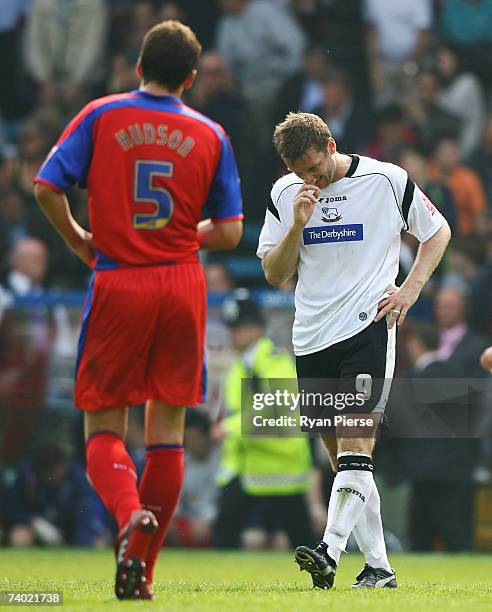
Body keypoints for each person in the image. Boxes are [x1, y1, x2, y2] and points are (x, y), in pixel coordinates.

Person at [33, 20, 243, 600]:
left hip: (120, 279)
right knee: (167, 430)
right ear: (192, 78)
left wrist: (79, 239)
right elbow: (228, 231)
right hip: (181, 284)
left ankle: (128, 513)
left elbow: (46, 186)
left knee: (103, 425)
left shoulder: (102, 115)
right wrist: (180, 238)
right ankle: (142, 573)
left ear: (137, 66)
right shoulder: (210, 133)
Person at [257, 112, 450, 589]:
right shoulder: (286, 195)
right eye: (298, 171)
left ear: (329, 143)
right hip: (311, 337)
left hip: (368, 327)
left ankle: (329, 549)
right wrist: (298, 225)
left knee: (357, 445)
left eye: (313, 167)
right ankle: (379, 568)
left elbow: (437, 231)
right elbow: (275, 274)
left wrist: (410, 288)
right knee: (345, 462)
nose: (309, 178)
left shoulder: (386, 180)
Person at [213, 290, 316, 550]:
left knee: (301, 539)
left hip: (281, 467)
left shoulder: (275, 361)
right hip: (246, 468)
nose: (232, 334)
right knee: (224, 537)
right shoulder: (239, 365)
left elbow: (277, 407)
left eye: (238, 327)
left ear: (255, 329)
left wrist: (229, 429)